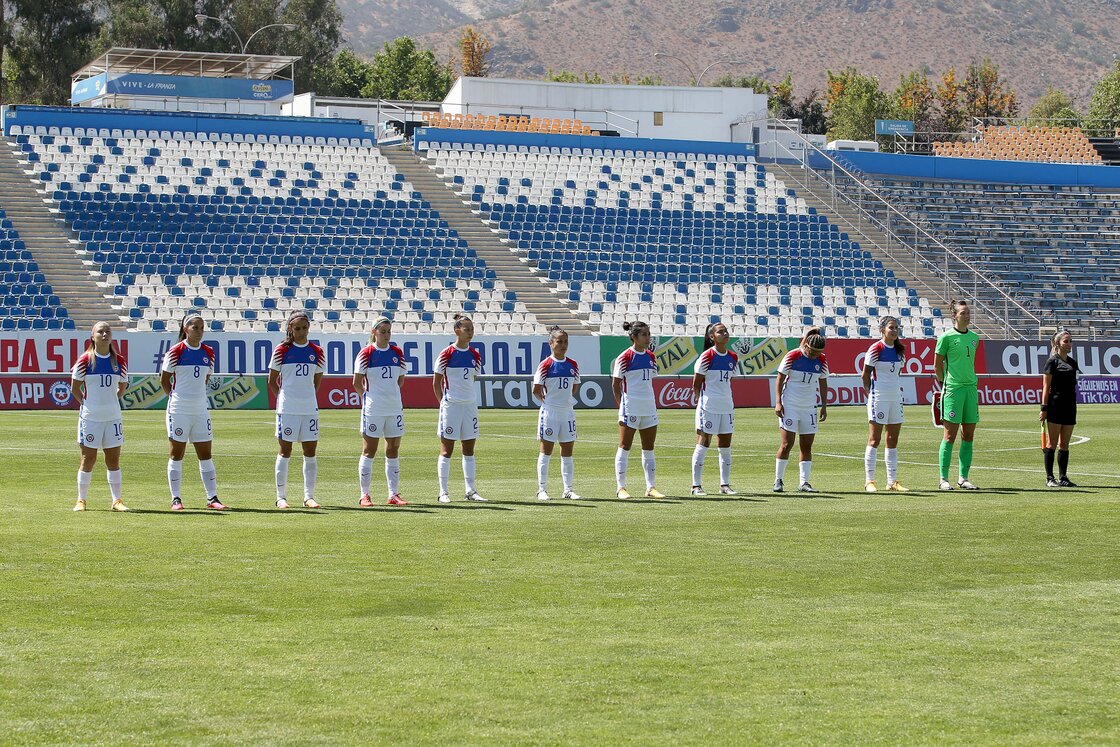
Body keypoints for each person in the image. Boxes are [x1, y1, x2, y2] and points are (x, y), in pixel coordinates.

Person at [161, 311, 227, 510]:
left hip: (200, 409)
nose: (199, 331)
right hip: (179, 408)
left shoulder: (209, 352)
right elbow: (165, 380)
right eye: (194, 327)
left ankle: (212, 498)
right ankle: (176, 498)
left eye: (201, 328)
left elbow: (205, 378)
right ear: (185, 329)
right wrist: (176, 399)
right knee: (176, 453)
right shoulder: (176, 351)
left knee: (205, 453)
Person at [268, 310, 326, 509]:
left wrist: (306, 396)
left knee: (310, 451)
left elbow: (316, 381)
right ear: (290, 328)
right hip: (288, 408)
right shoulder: (282, 350)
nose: (302, 331)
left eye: (305, 327)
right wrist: (284, 399)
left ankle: (309, 496)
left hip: (309, 408)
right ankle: (281, 497)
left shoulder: (317, 352)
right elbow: (272, 380)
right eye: (297, 328)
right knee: (285, 451)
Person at [70, 321, 129, 512]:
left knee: (113, 460)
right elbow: (75, 389)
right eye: (100, 332)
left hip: (113, 417)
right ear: (92, 336)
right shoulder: (84, 360)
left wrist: (110, 400)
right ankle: (81, 500)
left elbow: (122, 387)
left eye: (107, 331)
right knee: (88, 459)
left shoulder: (119, 361)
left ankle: (117, 500)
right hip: (90, 418)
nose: (105, 334)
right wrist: (88, 405)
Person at [353, 316, 409, 506]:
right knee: (370, 450)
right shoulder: (366, 353)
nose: (386, 335)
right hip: (373, 409)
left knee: (393, 449)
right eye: (382, 331)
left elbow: (400, 379)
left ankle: (393, 494)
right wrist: (368, 398)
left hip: (394, 407)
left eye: (388, 331)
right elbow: (357, 382)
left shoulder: (397, 353)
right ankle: (364, 495)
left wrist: (391, 394)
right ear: (374, 332)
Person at [433, 314, 486, 503]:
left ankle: (470, 491)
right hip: (451, 406)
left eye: (472, 329)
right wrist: (443, 403)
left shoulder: (475, 355)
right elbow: (436, 382)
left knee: (469, 449)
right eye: (467, 329)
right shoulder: (446, 353)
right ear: (457, 331)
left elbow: (472, 379)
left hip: (469, 406)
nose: (471, 332)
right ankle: (443, 492)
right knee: (447, 450)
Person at [611, 320, 664, 499]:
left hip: (649, 406)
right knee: (625, 446)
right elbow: (616, 383)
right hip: (630, 406)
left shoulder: (651, 356)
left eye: (649, 334)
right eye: (644, 335)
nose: (648, 338)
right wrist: (622, 406)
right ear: (634, 337)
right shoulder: (625, 357)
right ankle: (621, 488)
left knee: (649, 448)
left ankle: (651, 487)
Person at [774, 328, 829, 493]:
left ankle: (804, 483)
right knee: (786, 444)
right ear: (806, 346)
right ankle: (778, 480)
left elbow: (823, 383)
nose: (815, 356)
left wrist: (824, 405)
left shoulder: (822, 360)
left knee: (806, 446)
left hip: (809, 407)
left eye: (818, 352)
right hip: (790, 405)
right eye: (813, 352)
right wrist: (778, 402)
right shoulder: (793, 356)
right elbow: (780, 378)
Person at [934, 300, 981, 490]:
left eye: (968, 312)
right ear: (954, 316)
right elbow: (937, 366)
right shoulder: (946, 337)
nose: (967, 316)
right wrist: (945, 384)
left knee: (968, 435)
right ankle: (943, 479)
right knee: (949, 435)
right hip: (953, 390)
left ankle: (963, 478)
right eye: (963, 313)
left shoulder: (974, 338)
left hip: (971, 389)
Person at [532, 326, 582, 501]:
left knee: (567, 452)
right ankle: (542, 489)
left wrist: (565, 400)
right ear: (551, 343)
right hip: (550, 412)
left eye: (565, 341)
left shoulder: (573, 364)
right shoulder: (545, 365)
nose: (563, 345)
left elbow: (575, 386)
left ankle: (568, 489)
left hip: (567, 413)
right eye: (559, 341)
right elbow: (536, 389)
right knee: (546, 452)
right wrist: (548, 402)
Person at [690, 322, 739, 496]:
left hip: (727, 406)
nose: (725, 334)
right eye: (720, 332)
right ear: (712, 337)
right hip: (708, 406)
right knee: (703, 444)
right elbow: (696, 384)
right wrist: (702, 403)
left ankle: (724, 485)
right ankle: (696, 486)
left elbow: (729, 381)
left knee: (725, 447)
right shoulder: (706, 356)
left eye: (726, 331)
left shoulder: (733, 357)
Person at [861, 317, 909, 492]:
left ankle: (892, 481)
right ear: (882, 329)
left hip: (896, 398)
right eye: (891, 327)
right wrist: (871, 395)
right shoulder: (875, 349)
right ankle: (870, 481)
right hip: (878, 397)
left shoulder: (900, 351)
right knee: (875, 439)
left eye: (897, 327)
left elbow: (897, 374)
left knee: (892, 439)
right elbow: (865, 375)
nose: (895, 330)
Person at [1040, 330, 1079, 488]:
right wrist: (1044, 408)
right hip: (1055, 405)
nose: (1069, 344)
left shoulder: (1072, 362)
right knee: (1052, 443)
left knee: (1065, 444)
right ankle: (1050, 478)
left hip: (1070, 405)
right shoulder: (1052, 362)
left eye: (1070, 341)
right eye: (1066, 341)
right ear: (1057, 344)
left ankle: (1063, 477)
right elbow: (1045, 386)